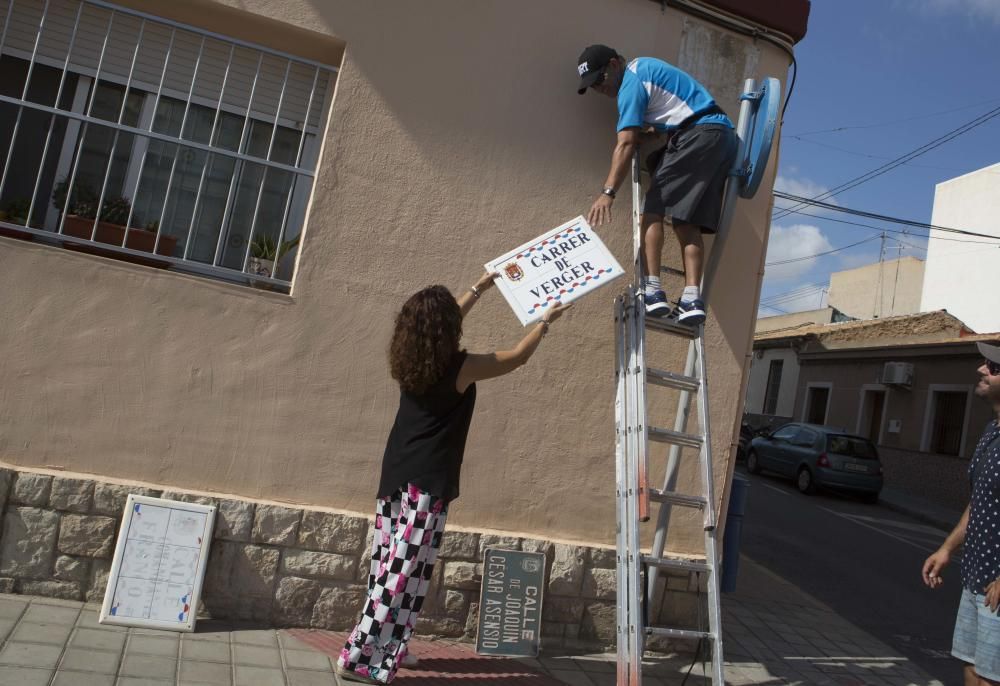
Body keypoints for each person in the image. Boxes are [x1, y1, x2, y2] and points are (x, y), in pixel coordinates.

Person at [335, 272, 570, 685]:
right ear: (447, 329)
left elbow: (441, 319)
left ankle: (390, 647)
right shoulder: (460, 367)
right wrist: (545, 321)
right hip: (427, 482)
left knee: (390, 565)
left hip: (397, 471)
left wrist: (482, 286)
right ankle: (359, 656)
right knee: (403, 572)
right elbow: (516, 357)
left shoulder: (409, 354)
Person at [577, 44, 738, 324]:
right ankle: (691, 299)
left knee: (653, 209)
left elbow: (625, 143)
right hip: (720, 137)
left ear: (615, 64)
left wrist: (608, 193)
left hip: (697, 135)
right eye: (592, 86)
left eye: (599, 80)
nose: (599, 89)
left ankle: (652, 291)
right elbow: (671, 112)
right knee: (687, 222)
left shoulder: (631, 81)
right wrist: (652, 132)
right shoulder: (645, 70)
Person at [922, 342, 1000, 686]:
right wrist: (947, 549)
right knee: (970, 668)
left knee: (990, 679)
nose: (982, 370)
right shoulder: (992, 431)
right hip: (976, 577)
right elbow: (981, 501)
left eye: (994, 367)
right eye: (985, 363)